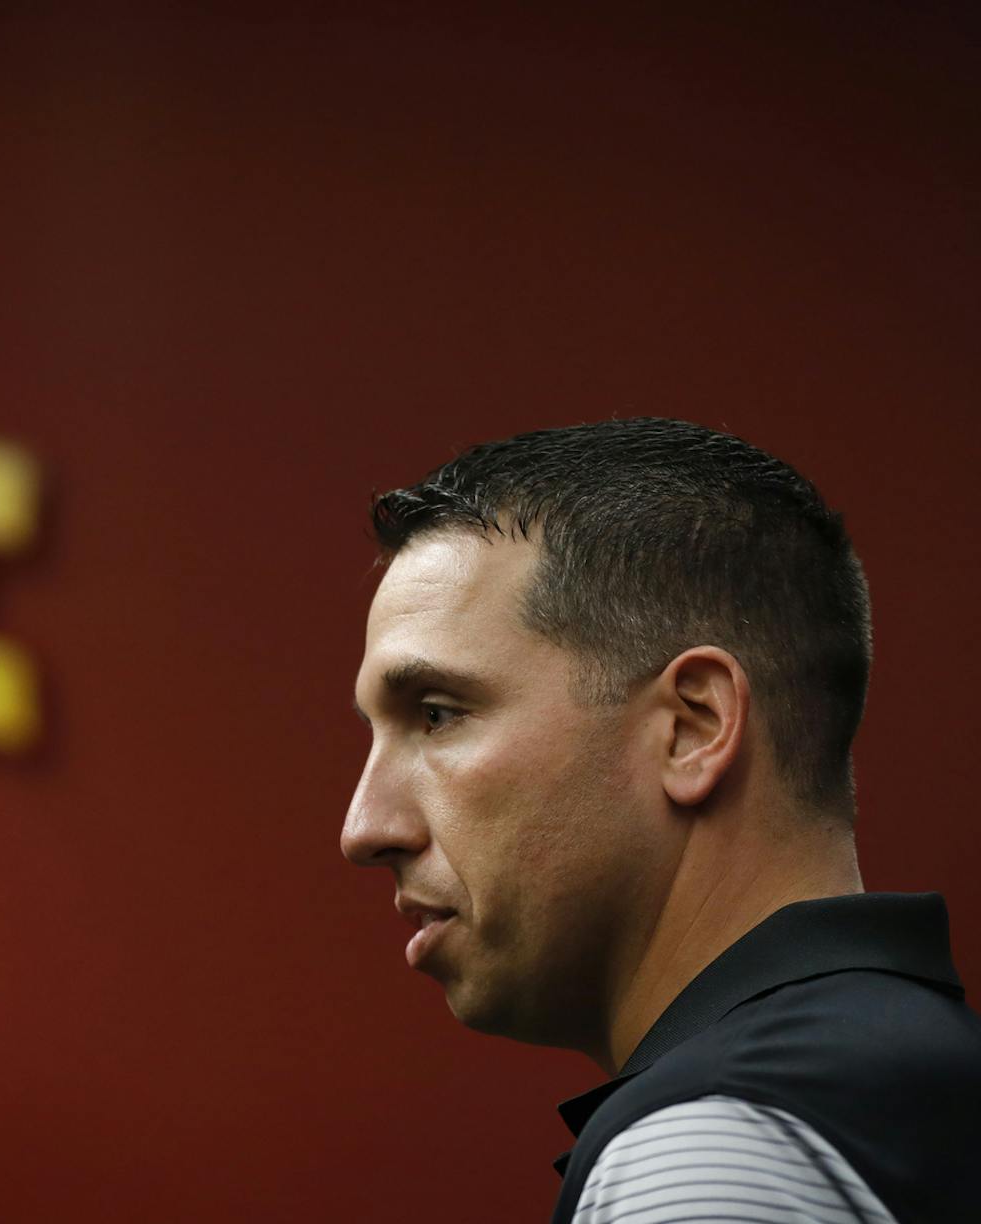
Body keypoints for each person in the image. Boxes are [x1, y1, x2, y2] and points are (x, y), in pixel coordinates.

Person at [340, 418, 981, 1223]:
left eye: (437, 715)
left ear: (693, 727)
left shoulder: (715, 1151)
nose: (364, 828)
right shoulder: (910, 1088)